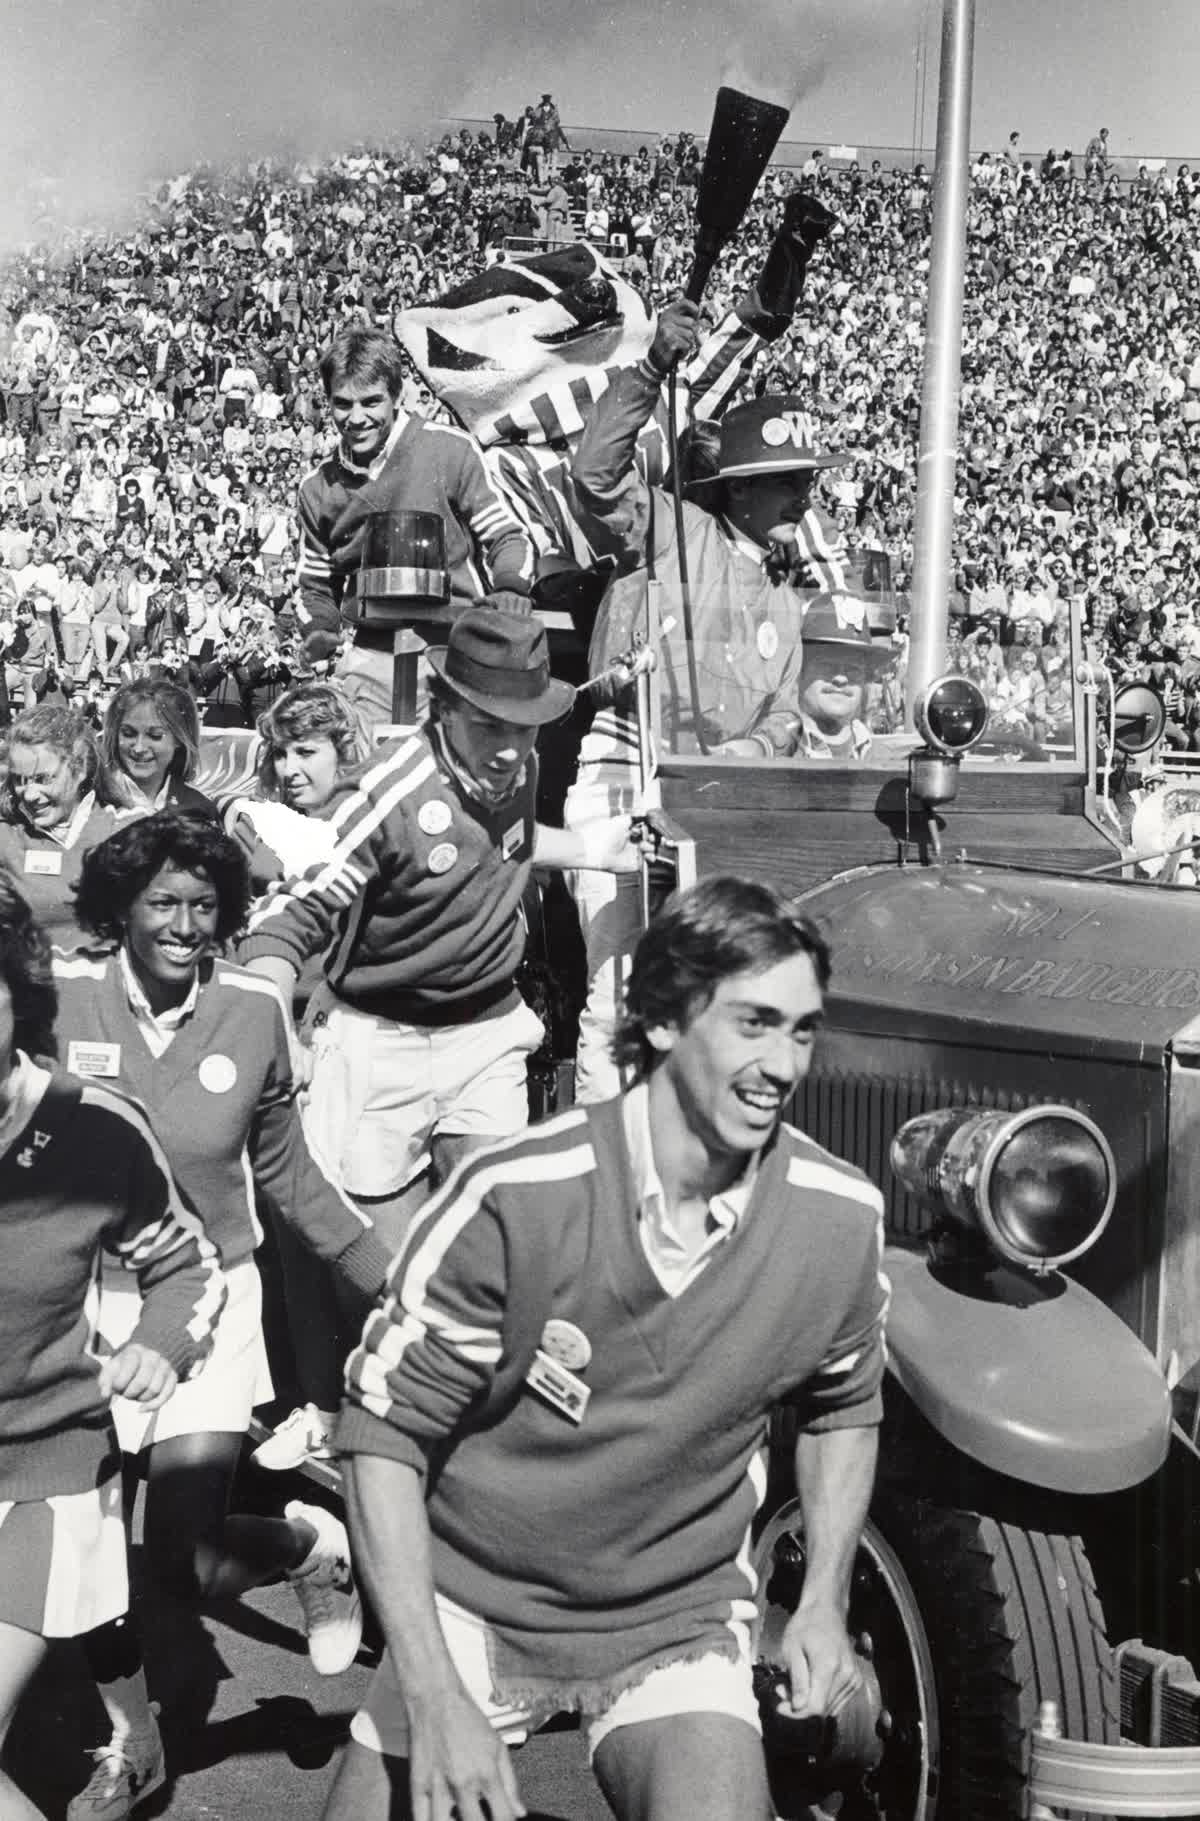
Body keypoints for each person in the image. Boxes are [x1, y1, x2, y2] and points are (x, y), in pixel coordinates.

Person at [321, 874, 888, 1821]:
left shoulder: (838, 1219)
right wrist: (434, 1694)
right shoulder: (518, 1197)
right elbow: (379, 1438)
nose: (782, 1064)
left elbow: (843, 1403)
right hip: (473, 1600)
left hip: (674, 1612)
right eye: (753, 1024)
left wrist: (825, 1598)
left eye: (802, 1030)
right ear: (661, 1018)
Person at [53, 812, 394, 1794]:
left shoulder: (251, 1012)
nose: (183, 924)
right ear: (122, 907)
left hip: (211, 1301)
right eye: (162, 901)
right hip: (84, 1308)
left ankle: (305, 1546)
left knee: (181, 1563)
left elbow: (292, 1179)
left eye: (204, 904)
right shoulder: (61, 1001)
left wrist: (395, 1281)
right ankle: (136, 1742)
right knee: (85, 1554)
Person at [240, 601, 639, 1247]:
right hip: (381, 1041)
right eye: (489, 725)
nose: (509, 748)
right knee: (385, 1267)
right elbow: (289, 914)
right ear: (445, 707)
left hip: (486, 1033)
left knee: (495, 1238)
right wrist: (273, 1025)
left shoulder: (519, 765)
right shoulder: (388, 795)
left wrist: (596, 849)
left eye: (525, 727)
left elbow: (509, 840)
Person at [564, 301, 851, 1101]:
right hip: (625, 770)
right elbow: (593, 476)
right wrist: (652, 367)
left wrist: (751, 751)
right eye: (788, 483)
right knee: (619, 996)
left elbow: (787, 713)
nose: (803, 498)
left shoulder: (789, 594)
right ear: (743, 489)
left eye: (807, 482)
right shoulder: (671, 530)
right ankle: (605, 1154)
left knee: (702, 1002)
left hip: (716, 799)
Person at [0, 872, 224, 1821]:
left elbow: (189, 1265)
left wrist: (161, 1344)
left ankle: (138, 1736)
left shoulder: (94, 1127)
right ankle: (134, 1729)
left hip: (43, 1468)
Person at [296, 324, 536, 723]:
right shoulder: (318, 487)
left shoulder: (450, 449)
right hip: (371, 655)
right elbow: (316, 584)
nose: (356, 418)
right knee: (359, 755)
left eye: (371, 402)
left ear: (397, 395)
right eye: (343, 404)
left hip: (457, 647)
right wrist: (320, 627)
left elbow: (507, 535)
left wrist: (511, 586)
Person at [0, 704, 126, 947]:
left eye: (43, 779)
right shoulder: (6, 834)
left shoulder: (123, 829)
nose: (29, 795)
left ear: (81, 768)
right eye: (19, 780)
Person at [97, 675, 219, 816]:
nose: (139, 748)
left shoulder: (199, 809)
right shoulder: (95, 802)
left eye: (155, 735)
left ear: (179, 739)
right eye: (128, 733)